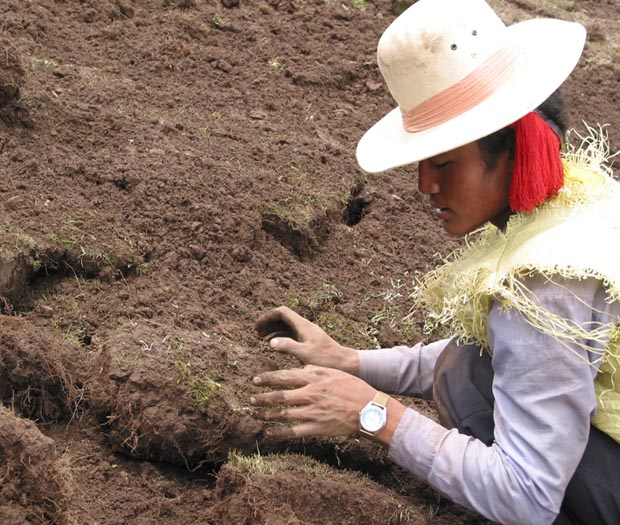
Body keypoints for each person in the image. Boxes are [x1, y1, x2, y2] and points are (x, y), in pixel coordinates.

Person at [248, 0, 620, 523]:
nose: (426, 184)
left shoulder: (547, 282)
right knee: (466, 366)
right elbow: (509, 354)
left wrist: (372, 413)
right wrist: (352, 362)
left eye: (444, 161)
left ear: (515, 146)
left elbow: (528, 496)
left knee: (466, 379)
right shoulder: (582, 202)